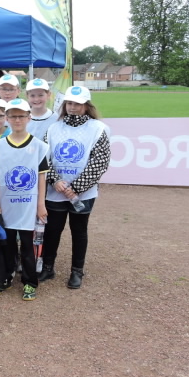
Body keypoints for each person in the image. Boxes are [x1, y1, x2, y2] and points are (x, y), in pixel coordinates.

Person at [39, 86, 111, 289]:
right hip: (56, 191)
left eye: (78, 104)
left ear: (86, 106)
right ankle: (48, 267)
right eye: (69, 103)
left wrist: (77, 187)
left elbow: (100, 161)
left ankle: (77, 271)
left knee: (79, 231)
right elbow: (44, 158)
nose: (73, 107)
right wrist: (55, 180)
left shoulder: (98, 128)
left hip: (83, 194)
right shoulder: (54, 128)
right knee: (52, 230)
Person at [0, 99, 49, 301]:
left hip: (28, 205)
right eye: (13, 116)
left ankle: (30, 282)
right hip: (6, 203)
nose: (17, 120)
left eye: (21, 116)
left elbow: (41, 177)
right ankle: (7, 276)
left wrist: (41, 204)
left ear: (28, 118)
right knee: (7, 244)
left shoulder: (39, 146)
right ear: (7, 118)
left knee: (27, 245)